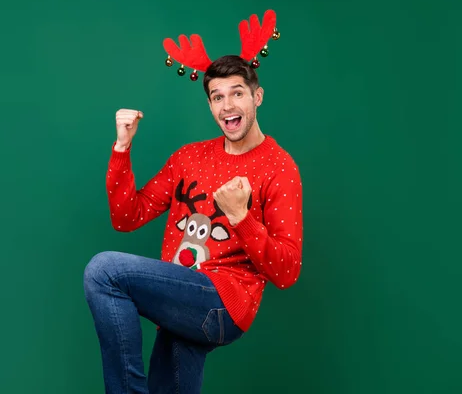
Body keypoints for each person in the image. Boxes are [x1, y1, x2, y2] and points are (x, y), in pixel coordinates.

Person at [83, 53, 302, 393]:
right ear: (211, 105)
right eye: (218, 97)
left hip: (224, 302)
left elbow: (287, 271)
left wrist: (240, 217)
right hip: (182, 299)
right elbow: (128, 217)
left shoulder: (279, 167)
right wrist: (122, 148)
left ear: (256, 97)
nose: (228, 105)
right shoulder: (189, 158)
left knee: (104, 271)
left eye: (237, 93)